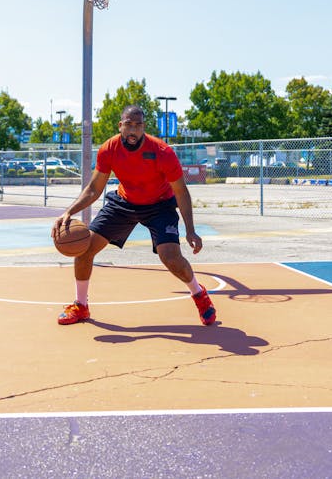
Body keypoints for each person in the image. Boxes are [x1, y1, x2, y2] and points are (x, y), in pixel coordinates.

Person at [52, 105, 216, 326]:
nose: (133, 130)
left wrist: (190, 230)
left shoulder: (162, 152)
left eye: (138, 125)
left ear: (143, 128)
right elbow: (94, 188)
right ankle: (81, 305)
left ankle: (199, 294)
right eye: (128, 124)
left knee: (171, 258)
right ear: (120, 126)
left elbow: (181, 191)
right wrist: (68, 212)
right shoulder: (109, 149)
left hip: (160, 205)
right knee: (85, 248)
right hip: (125, 202)